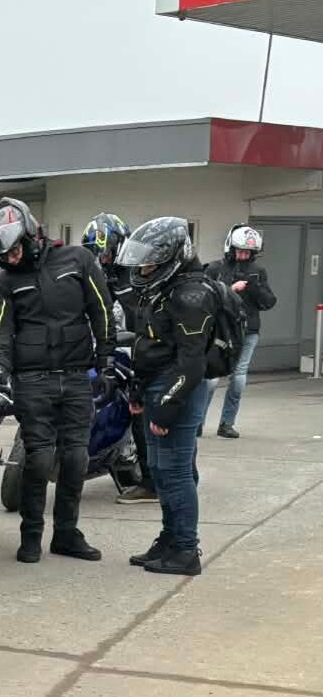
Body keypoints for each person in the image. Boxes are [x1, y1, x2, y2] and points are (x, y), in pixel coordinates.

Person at [0, 198, 114, 563]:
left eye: (13, 251)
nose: (10, 260)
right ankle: (31, 537)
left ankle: (67, 535)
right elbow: (0, 329)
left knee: (75, 458)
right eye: (2, 256)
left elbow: (102, 311)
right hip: (32, 381)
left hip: (76, 377)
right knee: (38, 460)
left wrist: (105, 362)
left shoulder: (78, 260)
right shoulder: (5, 282)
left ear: (31, 235)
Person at [120, 216, 216, 577]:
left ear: (172, 258)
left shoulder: (192, 295)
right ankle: (170, 539)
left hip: (179, 391)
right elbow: (149, 345)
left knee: (176, 472)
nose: (143, 268)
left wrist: (166, 407)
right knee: (159, 472)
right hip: (157, 387)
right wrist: (138, 388)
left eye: (149, 262)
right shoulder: (162, 289)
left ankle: (186, 550)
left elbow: (191, 363)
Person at [81, 213, 158, 505]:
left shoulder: (136, 276)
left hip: (138, 348)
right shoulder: (92, 275)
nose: (101, 258)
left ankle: (150, 484)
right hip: (101, 346)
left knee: (138, 408)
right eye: (95, 252)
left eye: (105, 252)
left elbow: (143, 317)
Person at [204, 224, 276, 439]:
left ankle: (227, 423)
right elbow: (204, 297)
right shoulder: (215, 268)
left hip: (247, 330)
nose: (243, 255)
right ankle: (197, 422)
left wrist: (254, 287)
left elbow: (269, 302)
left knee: (238, 378)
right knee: (210, 379)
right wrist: (229, 289)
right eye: (240, 251)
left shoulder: (258, 271)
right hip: (219, 329)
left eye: (248, 252)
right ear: (231, 248)